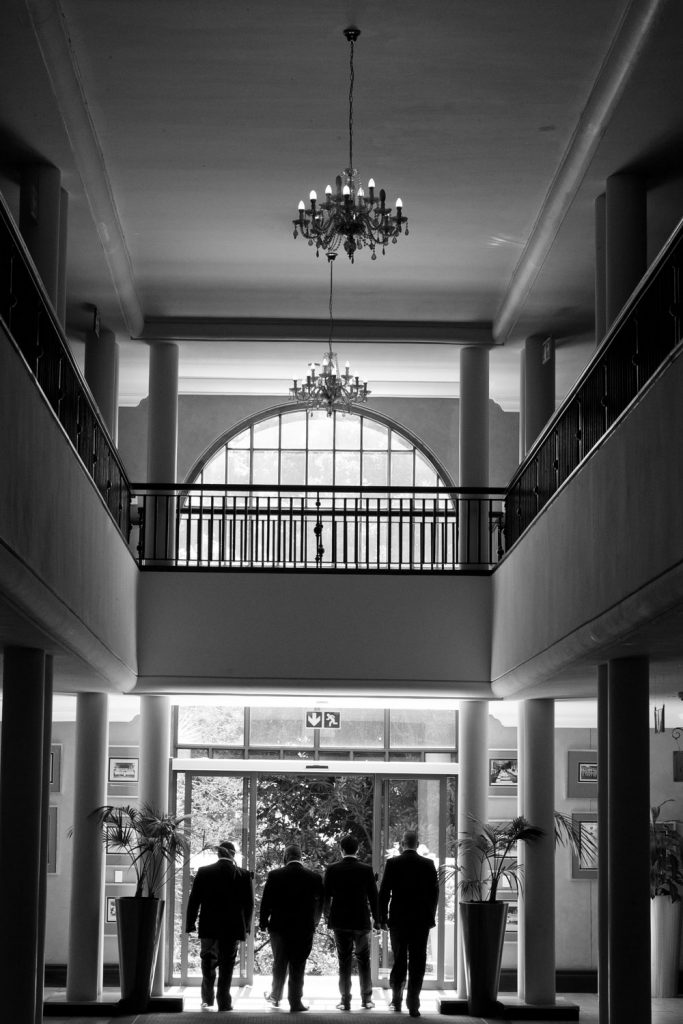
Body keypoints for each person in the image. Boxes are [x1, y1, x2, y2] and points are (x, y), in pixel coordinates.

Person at [185, 840, 254, 1012]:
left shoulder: (204, 872)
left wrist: (190, 923)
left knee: (208, 961)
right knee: (227, 964)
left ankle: (207, 999)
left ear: (219, 854)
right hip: (233, 927)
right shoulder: (243, 875)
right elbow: (249, 904)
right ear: (233, 854)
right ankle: (224, 1001)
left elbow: (194, 900)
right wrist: (246, 927)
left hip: (209, 925)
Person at [378, 831, 439, 1018]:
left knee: (399, 959)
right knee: (418, 961)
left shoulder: (393, 863)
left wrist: (382, 917)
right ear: (418, 844)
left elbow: (384, 892)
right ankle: (413, 1003)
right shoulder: (428, 864)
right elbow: (434, 894)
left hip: (398, 919)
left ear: (402, 844)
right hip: (420, 921)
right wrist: (430, 916)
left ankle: (396, 1000)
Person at [259, 843, 324, 1013]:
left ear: (286, 857)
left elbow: (266, 902)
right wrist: (315, 922)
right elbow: (320, 904)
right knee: (298, 964)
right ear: (300, 857)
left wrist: (263, 923)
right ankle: (295, 1002)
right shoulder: (314, 877)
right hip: (304, 928)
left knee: (280, 963)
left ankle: (275, 997)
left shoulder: (275, 875)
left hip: (279, 927)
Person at [323, 833, 379, 1011]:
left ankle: (345, 1000)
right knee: (363, 959)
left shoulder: (332, 869)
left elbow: (326, 896)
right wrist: (378, 919)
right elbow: (373, 897)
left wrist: (326, 916)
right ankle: (366, 999)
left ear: (341, 850)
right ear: (358, 849)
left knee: (344, 960)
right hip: (360, 921)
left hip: (339, 921)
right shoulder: (365, 869)